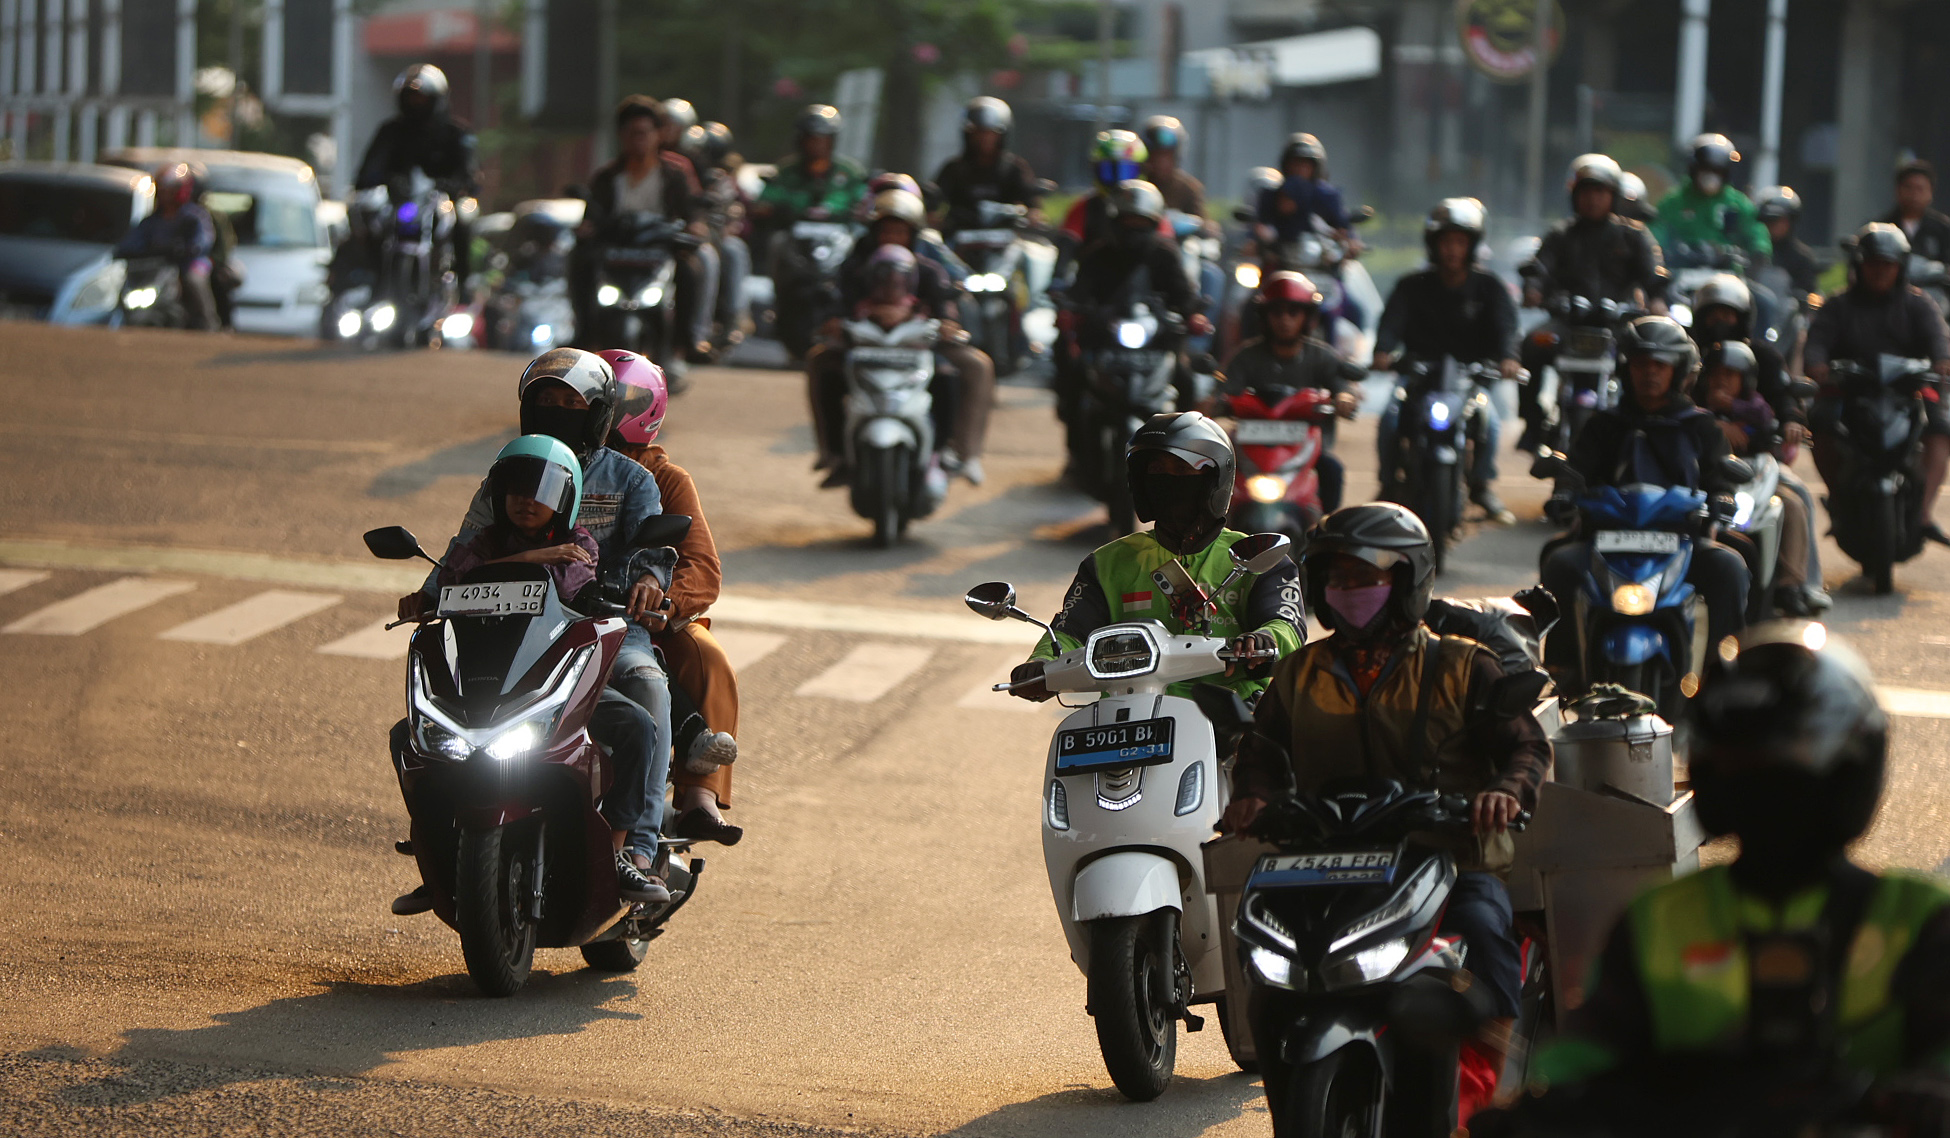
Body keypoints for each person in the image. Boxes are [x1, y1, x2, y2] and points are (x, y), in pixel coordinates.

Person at [1506, 622, 1950, 1136]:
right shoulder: (1657, 921)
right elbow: (1577, 1065)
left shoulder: (1920, 919)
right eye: (1755, 781)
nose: (1776, 806)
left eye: (1792, 784)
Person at [1222, 503, 1550, 1102]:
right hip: (1325, 863)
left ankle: (1496, 1097)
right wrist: (1252, 796)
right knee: (1269, 983)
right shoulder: (1297, 674)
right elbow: (1262, 751)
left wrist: (1503, 793)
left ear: (1407, 579)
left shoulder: (1463, 665)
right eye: (1336, 579)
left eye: (1364, 577)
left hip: (1447, 861)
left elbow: (1525, 747)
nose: (1349, 591)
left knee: (1482, 925)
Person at [395, 348, 678, 893]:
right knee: (423, 729)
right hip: (508, 625)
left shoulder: (630, 478)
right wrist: (428, 595)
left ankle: (636, 850)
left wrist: (645, 584)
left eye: (569, 403)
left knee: (647, 693)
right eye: (544, 401)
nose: (555, 410)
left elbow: (653, 551)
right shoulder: (508, 470)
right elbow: (466, 546)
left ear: (597, 412)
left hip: (603, 624)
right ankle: (441, 847)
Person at [1007, 412, 1304, 704]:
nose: (1168, 480)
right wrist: (1041, 661)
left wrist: (1264, 640)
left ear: (1214, 477)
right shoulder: (1107, 563)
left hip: (1232, 715)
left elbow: (1286, 624)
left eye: (1181, 470)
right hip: (1127, 714)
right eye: (1156, 470)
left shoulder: (1258, 555)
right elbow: (1070, 632)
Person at [1540, 316, 1752, 673]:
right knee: (1558, 562)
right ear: (1627, 368)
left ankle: (1726, 675)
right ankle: (1562, 672)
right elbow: (1575, 471)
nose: (1649, 373)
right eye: (1641, 364)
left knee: (1731, 566)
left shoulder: (1700, 425)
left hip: (1681, 542)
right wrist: (1564, 492)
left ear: (1679, 370)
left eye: (1660, 365)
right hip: (1604, 543)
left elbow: (1720, 476)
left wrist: (1724, 498)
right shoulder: (1603, 424)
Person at [601, 350, 746, 847]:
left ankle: (698, 797)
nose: (615, 410)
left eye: (628, 401)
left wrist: (665, 599)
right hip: (557, 607)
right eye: (603, 399)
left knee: (707, 658)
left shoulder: (665, 479)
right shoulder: (550, 465)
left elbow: (702, 568)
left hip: (637, 616)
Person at [808, 191, 996, 485]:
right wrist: (835, 322)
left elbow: (946, 307)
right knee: (821, 363)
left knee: (969, 368)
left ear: (912, 233)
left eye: (900, 231)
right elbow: (837, 304)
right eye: (886, 230)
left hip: (919, 346)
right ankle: (832, 451)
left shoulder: (931, 269)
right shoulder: (854, 266)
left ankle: (962, 452)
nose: (892, 236)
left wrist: (945, 324)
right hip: (865, 344)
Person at [1373, 198, 1520, 524]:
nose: (1452, 250)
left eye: (1460, 242)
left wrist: (1509, 358)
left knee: (1490, 424)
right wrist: (1383, 351)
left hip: (1470, 379)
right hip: (1418, 375)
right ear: (1433, 244)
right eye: (1446, 242)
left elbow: (1506, 327)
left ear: (1472, 245)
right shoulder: (1411, 285)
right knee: (1390, 420)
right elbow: (1391, 322)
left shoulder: (1489, 287)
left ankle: (1481, 485)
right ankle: (1386, 484)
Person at [1804, 223, 1950, 545]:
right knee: (1819, 420)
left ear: (1900, 267)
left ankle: (1924, 511)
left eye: (1888, 264)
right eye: (1873, 263)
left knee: (1941, 425)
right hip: (1850, 391)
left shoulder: (1919, 303)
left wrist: (1942, 360)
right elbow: (1817, 343)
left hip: (1908, 391)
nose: (1880, 271)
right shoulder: (1838, 305)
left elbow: (1939, 337)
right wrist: (1818, 366)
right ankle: (1838, 497)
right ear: (1859, 265)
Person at [1517, 153, 1669, 451]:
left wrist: (1658, 300)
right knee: (1531, 344)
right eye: (1586, 192)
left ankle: (1656, 425)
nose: (1593, 199)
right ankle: (1532, 423)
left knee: (1659, 355)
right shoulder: (1560, 234)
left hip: (1620, 326)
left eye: (1600, 192)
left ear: (1612, 196)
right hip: (1568, 323)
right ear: (1575, 196)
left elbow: (1654, 274)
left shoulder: (1634, 234)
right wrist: (1533, 289)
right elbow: (1539, 267)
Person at [571, 96, 710, 365]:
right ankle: (584, 333)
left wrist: (696, 225)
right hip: (615, 251)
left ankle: (685, 341)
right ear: (621, 136)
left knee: (692, 268)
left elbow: (692, 211)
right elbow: (592, 217)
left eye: (645, 133)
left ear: (659, 135)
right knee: (579, 260)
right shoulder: (607, 177)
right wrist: (587, 229)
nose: (638, 140)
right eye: (631, 133)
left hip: (660, 249)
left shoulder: (675, 173)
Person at [1209, 271, 1363, 512]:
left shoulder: (1321, 356)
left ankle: (1325, 534)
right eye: (1276, 312)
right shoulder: (1245, 356)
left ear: (1308, 317)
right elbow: (1223, 390)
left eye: (1293, 312)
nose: (1284, 320)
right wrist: (1213, 403)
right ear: (1264, 316)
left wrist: (1344, 397)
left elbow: (1342, 386)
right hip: (1249, 452)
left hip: (1305, 452)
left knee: (1332, 470)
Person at [1698, 339, 1829, 615]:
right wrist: (1717, 426)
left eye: (1730, 375)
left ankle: (1791, 585)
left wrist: (1736, 408)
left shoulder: (1754, 402)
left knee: (1792, 505)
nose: (1722, 380)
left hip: (1757, 475)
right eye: (1717, 374)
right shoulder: (1694, 411)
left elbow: (1769, 413)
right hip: (1708, 478)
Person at [345, 64, 479, 289]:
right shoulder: (390, 132)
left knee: (464, 217)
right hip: (399, 204)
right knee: (364, 216)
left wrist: (454, 185)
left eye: (421, 98)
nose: (415, 104)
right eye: (411, 98)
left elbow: (468, 174)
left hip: (439, 204)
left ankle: (463, 283)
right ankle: (364, 280)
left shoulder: (455, 134)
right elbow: (368, 171)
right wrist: (385, 180)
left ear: (436, 99)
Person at [114, 162, 218, 330]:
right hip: (159, 267)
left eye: (170, 189)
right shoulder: (151, 221)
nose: (165, 193)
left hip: (190, 263)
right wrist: (124, 250)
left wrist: (188, 248)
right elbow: (132, 241)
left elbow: (203, 239)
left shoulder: (194, 216)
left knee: (194, 281)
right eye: (162, 189)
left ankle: (208, 324)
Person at [681, 120, 751, 351]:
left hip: (711, 239)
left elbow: (734, 213)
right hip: (676, 238)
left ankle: (729, 321)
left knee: (732, 250)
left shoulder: (721, 180)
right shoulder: (676, 171)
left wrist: (729, 225)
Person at [931, 97, 1044, 236]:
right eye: (979, 132)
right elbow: (936, 197)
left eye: (990, 133)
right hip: (959, 241)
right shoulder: (954, 169)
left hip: (1005, 242)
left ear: (1002, 135)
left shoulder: (1014, 168)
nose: (985, 138)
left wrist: (1033, 214)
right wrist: (934, 215)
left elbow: (1031, 202)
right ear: (968, 134)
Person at [1653, 133, 1771, 265]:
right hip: (1681, 274)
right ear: (1693, 169)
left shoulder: (1738, 204)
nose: (1711, 176)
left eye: (1717, 171)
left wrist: (1759, 252)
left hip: (1729, 276)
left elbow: (1756, 233)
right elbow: (1656, 233)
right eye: (1705, 169)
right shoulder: (1674, 202)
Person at [752, 104, 869, 232]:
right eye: (810, 138)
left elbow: (862, 204)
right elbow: (765, 203)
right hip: (791, 235)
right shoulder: (784, 173)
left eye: (821, 139)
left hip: (840, 236)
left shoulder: (851, 173)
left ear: (831, 141)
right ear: (800, 140)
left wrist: (834, 209)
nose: (815, 145)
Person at [1057, 131, 1172, 255]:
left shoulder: (1152, 208)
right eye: (1109, 172)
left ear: (1142, 171)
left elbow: (1166, 243)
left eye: (1126, 172)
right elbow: (1068, 241)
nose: (1119, 183)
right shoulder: (1086, 208)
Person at [1253, 133, 1358, 253]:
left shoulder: (1327, 196)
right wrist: (1256, 240)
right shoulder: (1270, 195)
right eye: (1295, 163)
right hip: (1279, 258)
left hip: (1321, 260)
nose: (1299, 169)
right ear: (1286, 165)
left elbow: (1343, 227)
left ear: (1315, 168)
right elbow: (1259, 226)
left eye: (1305, 165)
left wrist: (1350, 241)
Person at [1756, 185, 1821, 297]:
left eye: (1780, 220)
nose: (1775, 225)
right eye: (1770, 220)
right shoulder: (1752, 250)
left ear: (1791, 221)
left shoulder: (1802, 257)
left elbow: (1808, 292)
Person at [1883, 158, 1950, 267]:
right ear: (1897, 190)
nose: (1914, 194)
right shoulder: (1883, 227)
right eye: (1908, 187)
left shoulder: (1944, 229)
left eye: (1920, 189)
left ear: (1930, 192)